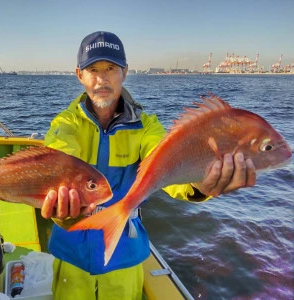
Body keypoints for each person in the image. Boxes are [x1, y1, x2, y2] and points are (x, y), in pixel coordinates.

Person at [41, 31, 256, 299]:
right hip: (70, 258)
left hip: (124, 258)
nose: (102, 78)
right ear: (79, 75)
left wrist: (199, 183)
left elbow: (166, 159)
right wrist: (60, 190)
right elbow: (59, 155)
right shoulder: (65, 123)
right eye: (92, 69)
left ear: (125, 73)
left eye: (111, 68)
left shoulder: (147, 126)